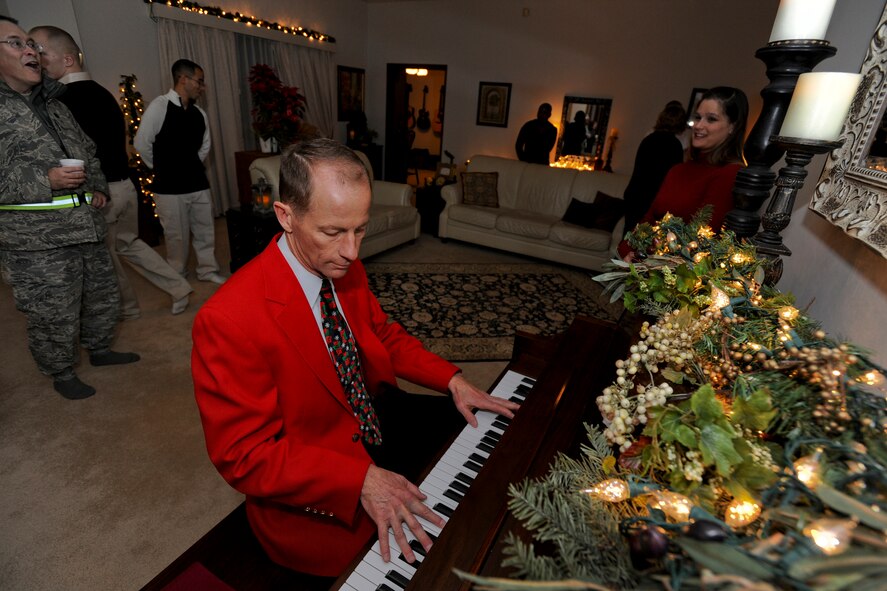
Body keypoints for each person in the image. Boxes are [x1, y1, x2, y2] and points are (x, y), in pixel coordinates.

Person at [191, 138, 520, 580]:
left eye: (360, 229)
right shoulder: (228, 319)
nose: (352, 250)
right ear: (286, 216)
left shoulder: (342, 265)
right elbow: (244, 455)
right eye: (333, 231)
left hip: (375, 413)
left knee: (494, 454)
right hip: (319, 467)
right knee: (427, 564)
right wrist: (359, 480)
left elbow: (381, 334)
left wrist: (452, 379)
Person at [0, 15, 139, 400]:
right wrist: (45, 179)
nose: (30, 49)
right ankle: (60, 371)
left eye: (31, 43)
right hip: (36, 240)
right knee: (53, 311)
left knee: (101, 293)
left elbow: (87, 152)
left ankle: (99, 348)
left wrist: (97, 189)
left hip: (84, 222)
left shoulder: (57, 105)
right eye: (15, 43)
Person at [30, 25, 194, 317]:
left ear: (67, 59)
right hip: (125, 186)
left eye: (41, 52)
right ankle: (179, 288)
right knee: (127, 243)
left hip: (101, 192)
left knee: (106, 255)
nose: (36, 59)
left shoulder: (62, 101)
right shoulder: (104, 93)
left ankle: (127, 308)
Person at [619, 86, 748, 260]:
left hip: (674, 278)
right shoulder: (678, 169)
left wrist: (645, 256)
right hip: (644, 266)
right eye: (698, 117)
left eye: (711, 119)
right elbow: (649, 218)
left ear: (733, 126)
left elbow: (700, 242)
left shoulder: (731, 174)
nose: (698, 125)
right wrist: (628, 250)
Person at [134, 58, 226, 285]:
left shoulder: (199, 113)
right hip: (168, 187)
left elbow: (205, 146)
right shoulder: (159, 106)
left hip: (198, 183)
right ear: (183, 79)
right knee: (177, 238)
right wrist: (162, 167)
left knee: (206, 231)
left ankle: (207, 270)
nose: (202, 87)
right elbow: (141, 143)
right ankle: (178, 275)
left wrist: (189, 165)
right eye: (200, 81)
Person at [622, 100, 688, 233]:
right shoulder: (675, 145)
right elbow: (674, 179)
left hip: (634, 197)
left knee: (627, 239)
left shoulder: (648, 139)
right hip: (652, 202)